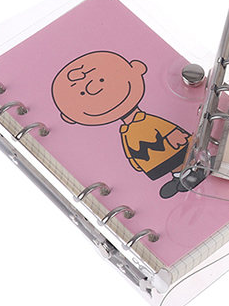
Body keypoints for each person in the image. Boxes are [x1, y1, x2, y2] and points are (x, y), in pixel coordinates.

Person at [51, 50, 191, 198]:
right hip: (151, 157)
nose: (94, 90)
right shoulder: (125, 131)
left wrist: (173, 134)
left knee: (179, 158)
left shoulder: (146, 120)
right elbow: (128, 148)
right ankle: (178, 177)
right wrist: (134, 161)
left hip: (168, 145)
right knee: (168, 163)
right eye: (82, 94)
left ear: (136, 69)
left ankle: (188, 173)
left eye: (101, 80)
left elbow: (165, 128)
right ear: (69, 117)